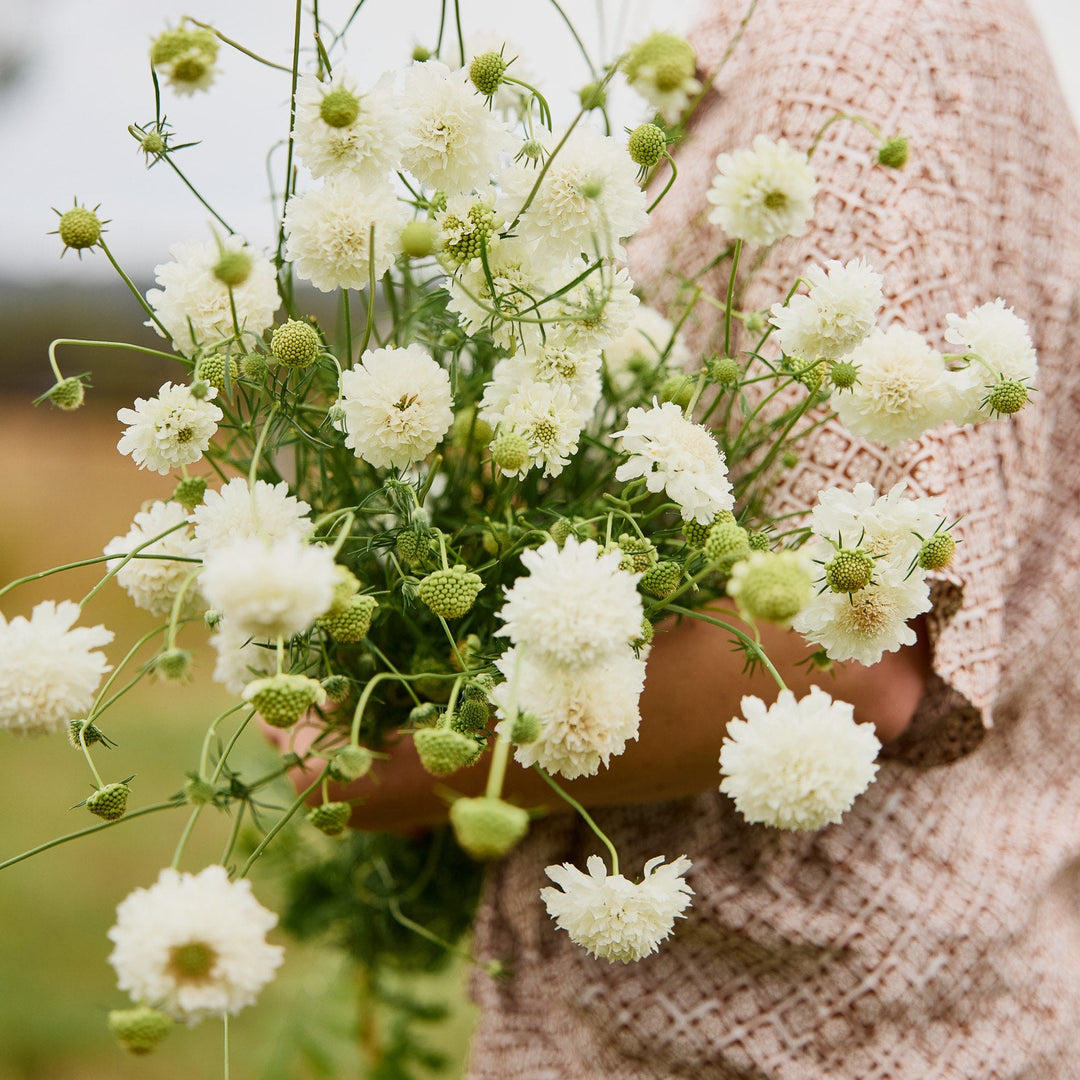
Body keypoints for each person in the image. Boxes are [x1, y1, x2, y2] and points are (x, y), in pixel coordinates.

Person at [302, 0, 1080, 1073]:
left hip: (814, 1030)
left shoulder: (873, 39)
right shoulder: (793, 50)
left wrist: (386, 761)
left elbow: (852, 647)